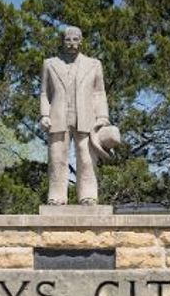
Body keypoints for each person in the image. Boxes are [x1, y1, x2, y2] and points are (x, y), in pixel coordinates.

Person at [39, 26, 119, 205]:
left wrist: (103, 116)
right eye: (68, 39)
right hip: (58, 117)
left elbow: (99, 93)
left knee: (86, 158)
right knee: (57, 158)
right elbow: (44, 93)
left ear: (81, 41)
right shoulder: (49, 64)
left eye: (75, 39)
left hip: (86, 117)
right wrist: (44, 114)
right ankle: (56, 196)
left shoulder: (94, 64)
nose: (72, 43)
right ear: (62, 41)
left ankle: (88, 195)